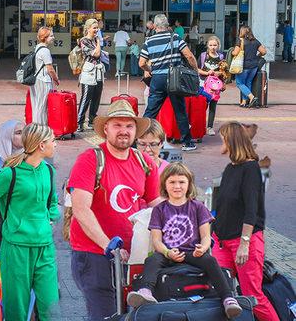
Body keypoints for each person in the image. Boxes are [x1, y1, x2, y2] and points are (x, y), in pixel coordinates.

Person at [67, 100, 161, 320]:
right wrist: (108, 245)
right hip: (94, 255)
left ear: (136, 131)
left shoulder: (145, 162)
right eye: (117, 125)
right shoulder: (90, 159)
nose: (123, 131)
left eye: (129, 126)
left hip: (134, 256)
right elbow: (81, 209)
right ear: (106, 129)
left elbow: (156, 204)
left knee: (135, 315)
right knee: (106, 315)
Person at [0, 123, 60, 321]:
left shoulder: (49, 171)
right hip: (16, 248)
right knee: (16, 310)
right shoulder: (10, 174)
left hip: (45, 247)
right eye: (52, 140)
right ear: (41, 145)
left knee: (51, 309)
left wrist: (51, 218)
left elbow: (52, 202)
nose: (55, 144)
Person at [126, 163, 244, 319]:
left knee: (210, 260)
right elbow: (156, 240)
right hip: (167, 254)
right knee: (152, 260)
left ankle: (228, 298)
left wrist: (203, 248)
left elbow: (206, 236)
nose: (177, 186)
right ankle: (145, 291)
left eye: (181, 182)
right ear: (165, 185)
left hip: (191, 252)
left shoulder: (198, 207)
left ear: (189, 184)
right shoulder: (159, 210)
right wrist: (167, 252)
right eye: (172, 182)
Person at [211, 122, 279, 321]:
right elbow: (225, 205)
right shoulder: (231, 168)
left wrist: (244, 243)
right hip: (222, 241)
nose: (220, 140)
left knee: (252, 296)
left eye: (223, 137)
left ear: (232, 140)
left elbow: (252, 209)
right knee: (223, 293)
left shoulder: (250, 169)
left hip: (243, 242)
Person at [140, 13, 199, 151]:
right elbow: (189, 56)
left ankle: (138, 139)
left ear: (154, 26)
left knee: (150, 112)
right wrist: (195, 70)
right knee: (180, 111)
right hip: (174, 79)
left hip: (157, 79)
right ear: (167, 26)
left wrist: (150, 69)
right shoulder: (176, 38)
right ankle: (187, 142)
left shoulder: (148, 41)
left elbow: (141, 62)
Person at [77, 19, 105, 132]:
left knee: (96, 98)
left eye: (97, 28)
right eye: (94, 28)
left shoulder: (94, 40)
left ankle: (92, 120)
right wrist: (98, 42)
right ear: (88, 28)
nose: (96, 30)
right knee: (86, 98)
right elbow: (96, 54)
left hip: (98, 72)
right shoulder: (84, 41)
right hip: (88, 73)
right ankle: (79, 122)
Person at [29, 27, 60, 125]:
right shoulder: (45, 51)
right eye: (51, 36)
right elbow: (50, 69)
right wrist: (56, 79)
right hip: (43, 80)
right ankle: (41, 129)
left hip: (35, 79)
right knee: (42, 106)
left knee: (36, 105)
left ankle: (36, 128)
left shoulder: (37, 47)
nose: (53, 37)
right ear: (45, 37)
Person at [232, 26, 267, 108]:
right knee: (248, 82)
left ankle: (252, 97)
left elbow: (235, 53)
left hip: (243, 66)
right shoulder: (255, 41)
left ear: (241, 32)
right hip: (254, 66)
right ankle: (244, 102)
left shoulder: (241, 41)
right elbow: (264, 51)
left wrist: (232, 51)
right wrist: (257, 56)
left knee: (239, 83)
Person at [198, 36, 224, 135]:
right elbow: (197, 69)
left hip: (215, 86)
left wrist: (220, 75)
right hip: (203, 83)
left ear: (218, 46)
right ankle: (200, 125)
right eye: (211, 45)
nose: (213, 47)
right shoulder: (203, 55)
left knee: (213, 106)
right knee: (202, 105)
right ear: (207, 46)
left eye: (215, 45)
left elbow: (223, 71)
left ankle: (210, 127)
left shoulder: (221, 57)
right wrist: (207, 73)